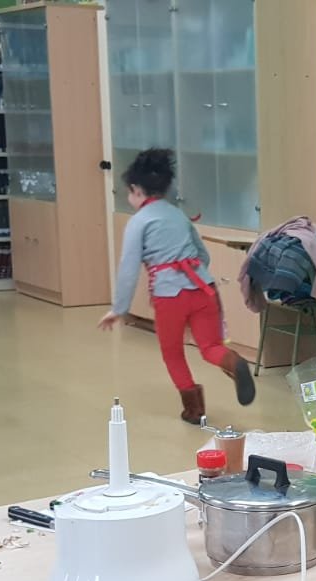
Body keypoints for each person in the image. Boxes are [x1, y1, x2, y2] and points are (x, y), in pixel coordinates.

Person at [99, 149, 255, 424]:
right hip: (204, 289)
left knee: (172, 353)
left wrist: (119, 309)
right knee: (210, 347)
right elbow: (202, 255)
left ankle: (194, 410)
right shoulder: (178, 215)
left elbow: (128, 269)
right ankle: (235, 362)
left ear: (136, 190)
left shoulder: (139, 222)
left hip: (170, 296)